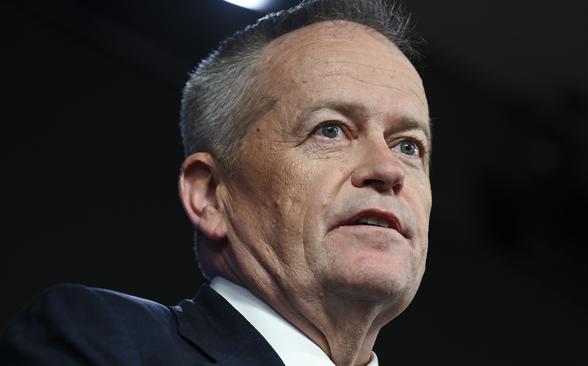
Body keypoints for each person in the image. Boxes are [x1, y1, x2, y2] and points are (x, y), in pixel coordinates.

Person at [0, 0, 432, 365]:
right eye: (331, 130)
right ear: (210, 195)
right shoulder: (105, 342)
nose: (389, 170)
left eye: (409, 146)